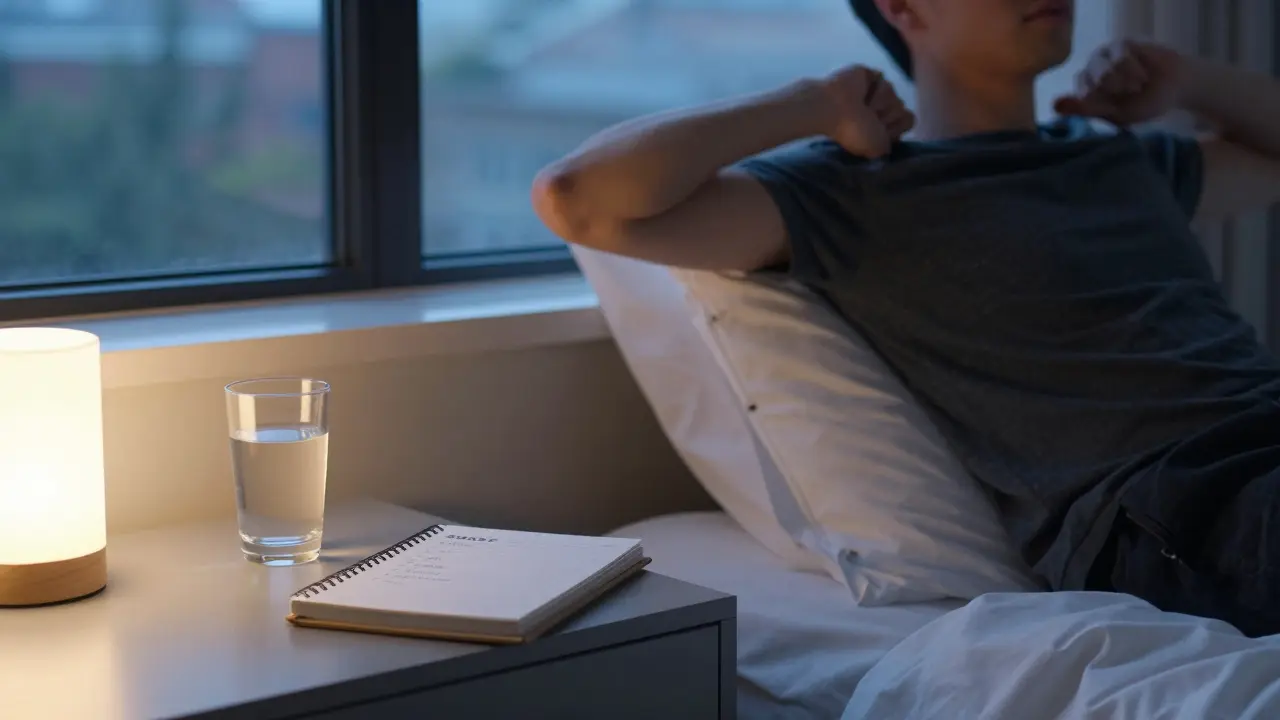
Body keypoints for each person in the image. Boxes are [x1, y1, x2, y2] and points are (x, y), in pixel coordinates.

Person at [530, 0, 1280, 637]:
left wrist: (1185, 78)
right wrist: (812, 104)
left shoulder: (1117, 158)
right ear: (902, 7)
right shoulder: (860, 191)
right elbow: (579, 197)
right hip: (1179, 506)